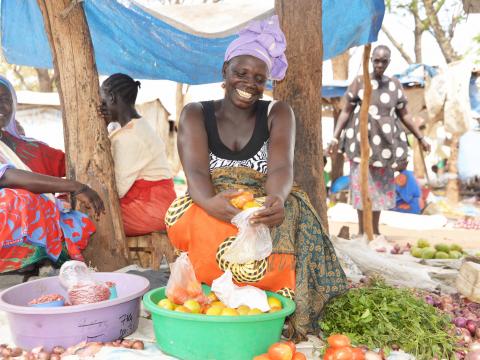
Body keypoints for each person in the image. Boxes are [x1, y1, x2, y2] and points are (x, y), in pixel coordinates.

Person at [165, 16, 347, 340]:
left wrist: (274, 201)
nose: (249, 83)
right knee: (192, 217)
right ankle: (207, 296)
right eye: (241, 73)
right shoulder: (195, 112)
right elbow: (194, 171)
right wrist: (207, 201)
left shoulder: (277, 112)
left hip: (262, 194)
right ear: (224, 73)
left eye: (259, 78)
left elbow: (280, 168)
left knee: (287, 218)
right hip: (210, 192)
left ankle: (278, 305)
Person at [0, 76, 104, 275]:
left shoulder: (23, 146)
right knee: (17, 199)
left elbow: (72, 162)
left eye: (5, 99)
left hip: (22, 227)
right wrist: (75, 187)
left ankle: (34, 266)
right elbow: (7, 177)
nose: (1, 105)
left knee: (69, 217)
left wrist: (99, 125)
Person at [328, 45, 431, 238]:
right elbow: (345, 111)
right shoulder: (360, 82)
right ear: (371, 60)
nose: (379, 64)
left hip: (385, 144)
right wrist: (335, 137)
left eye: (384, 61)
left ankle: (374, 230)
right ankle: (362, 230)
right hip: (360, 143)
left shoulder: (394, 85)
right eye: (376, 60)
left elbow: (405, 115)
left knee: (381, 188)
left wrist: (421, 137)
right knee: (361, 186)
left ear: (389, 62)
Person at [100, 73, 176, 236]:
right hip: (152, 206)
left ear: (112, 98)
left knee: (89, 217)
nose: (100, 106)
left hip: (149, 210)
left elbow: (117, 190)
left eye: (102, 100)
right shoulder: (134, 127)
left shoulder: (131, 136)